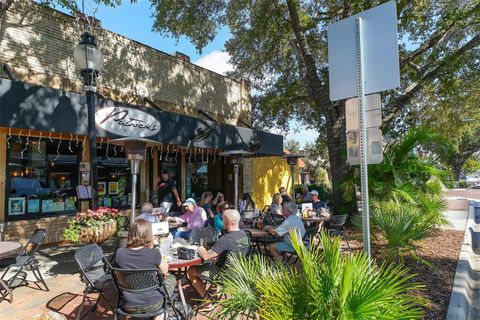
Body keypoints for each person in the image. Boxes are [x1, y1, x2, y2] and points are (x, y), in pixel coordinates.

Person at [114, 219, 175, 318]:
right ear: (148, 235)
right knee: (171, 277)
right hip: (153, 303)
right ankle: (161, 314)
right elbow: (165, 270)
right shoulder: (153, 253)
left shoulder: (120, 253)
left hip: (129, 304)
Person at [187, 209, 250, 299]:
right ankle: (214, 291)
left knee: (191, 270)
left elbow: (205, 256)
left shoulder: (225, 239)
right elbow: (233, 250)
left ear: (228, 222)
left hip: (224, 276)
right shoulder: (244, 234)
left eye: (222, 219)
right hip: (239, 273)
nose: (221, 221)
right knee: (215, 262)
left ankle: (207, 302)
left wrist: (200, 249)